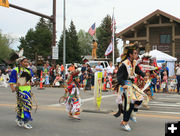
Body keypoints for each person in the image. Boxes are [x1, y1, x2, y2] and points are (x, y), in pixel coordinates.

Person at [115, 43, 145, 131]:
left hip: (131, 84)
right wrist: (122, 84)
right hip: (125, 85)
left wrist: (144, 75)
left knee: (140, 98)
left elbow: (137, 70)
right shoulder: (124, 64)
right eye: (135, 53)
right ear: (130, 54)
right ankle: (124, 122)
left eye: (136, 53)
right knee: (129, 103)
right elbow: (119, 76)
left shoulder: (134, 62)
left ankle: (132, 113)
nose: (136, 55)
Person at [9, 57, 34, 129]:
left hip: (28, 90)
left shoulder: (28, 70)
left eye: (27, 62)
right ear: (20, 63)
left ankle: (19, 119)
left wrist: (32, 83)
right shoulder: (15, 70)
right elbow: (11, 81)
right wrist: (13, 88)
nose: (26, 63)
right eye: (25, 62)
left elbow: (30, 80)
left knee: (21, 106)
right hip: (20, 91)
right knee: (26, 106)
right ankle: (25, 122)